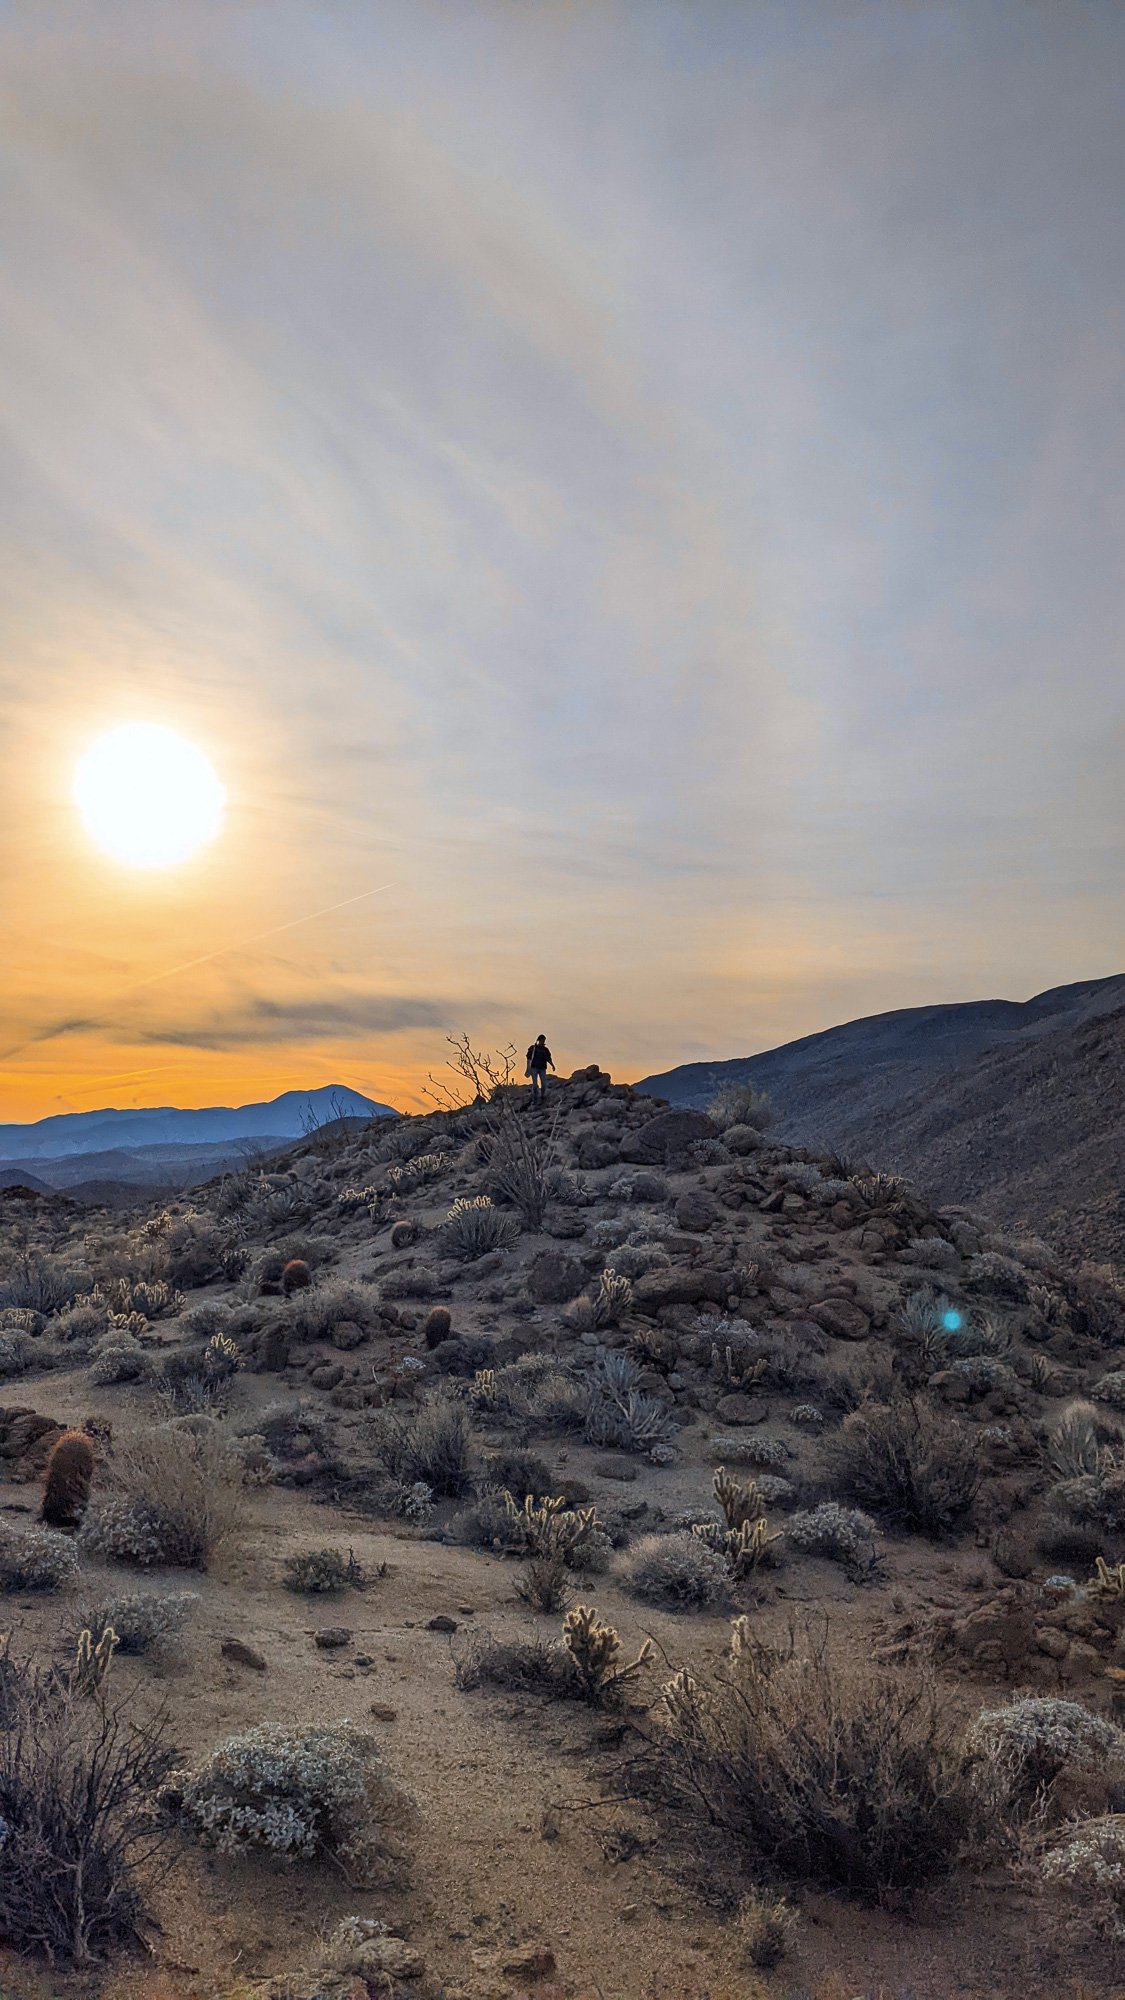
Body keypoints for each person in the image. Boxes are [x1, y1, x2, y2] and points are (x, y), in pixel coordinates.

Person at [525, 1033, 555, 1104]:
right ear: (539, 1040)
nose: (543, 1041)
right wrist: (528, 1068)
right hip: (534, 1068)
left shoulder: (545, 1050)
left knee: (544, 1084)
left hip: (542, 1068)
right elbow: (528, 1058)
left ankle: (542, 1096)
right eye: (542, 1040)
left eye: (544, 1040)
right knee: (535, 1084)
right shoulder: (533, 1048)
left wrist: (552, 1065)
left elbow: (548, 1058)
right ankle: (535, 1097)